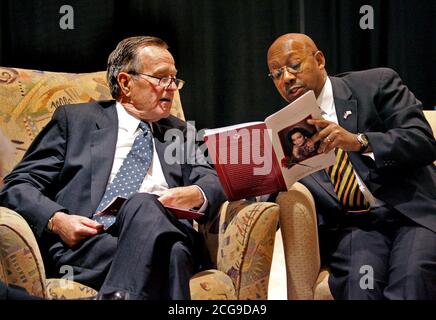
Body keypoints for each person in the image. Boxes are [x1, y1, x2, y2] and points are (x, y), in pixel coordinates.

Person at [0, 36, 226, 300]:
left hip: (165, 229)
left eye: (174, 79)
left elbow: (214, 179)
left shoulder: (180, 134)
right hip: (91, 246)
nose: (171, 87)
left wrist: (195, 193)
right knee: (172, 254)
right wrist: (57, 220)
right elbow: (18, 184)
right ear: (125, 82)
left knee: (143, 205)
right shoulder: (76, 121)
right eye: (161, 77)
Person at [267, 33, 436, 299]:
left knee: (411, 281)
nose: (286, 78)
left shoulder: (376, 83)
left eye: (294, 66)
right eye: (276, 74)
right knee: (362, 289)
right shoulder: (283, 132)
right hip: (358, 227)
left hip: (410, 213)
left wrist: (360, 142)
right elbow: (264, 189)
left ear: (319, 60)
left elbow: (422, 141)